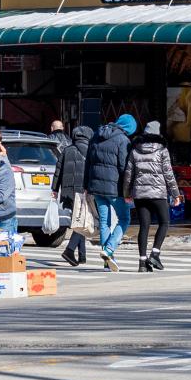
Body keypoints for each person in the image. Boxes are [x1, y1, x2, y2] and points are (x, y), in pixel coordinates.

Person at [121, 120, 181, 272]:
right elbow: (168, 174)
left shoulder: (135, 150)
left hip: (140, 194)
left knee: (144, 226)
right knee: (164, 222)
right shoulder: (162, 150)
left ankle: (142, 263)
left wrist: (127, 193)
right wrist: (176, 194)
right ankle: (155, 254)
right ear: (157, 133)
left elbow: (128, 174)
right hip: (158, 193)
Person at [84, 114, 135, 271]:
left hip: (97, 187)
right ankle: (109, 249)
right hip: (115, 188)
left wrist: (86, 184)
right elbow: (124, 168)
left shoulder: (96, 135)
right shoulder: (123, 140)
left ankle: (107, 262)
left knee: (105, 222)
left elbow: (88, 162)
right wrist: (128, 191)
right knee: (124, 218)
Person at [52, 123, 93, 267]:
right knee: (81, 222)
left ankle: (82, 255)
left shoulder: (67, 150)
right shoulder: (90, 151)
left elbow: (58, 170)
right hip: (83, 190)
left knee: (77, 220)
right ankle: (69, 250)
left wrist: (54, 189)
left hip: (68, 191)